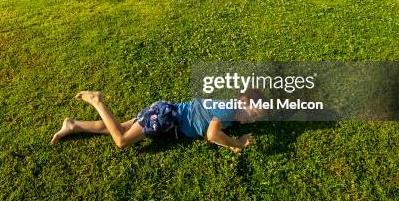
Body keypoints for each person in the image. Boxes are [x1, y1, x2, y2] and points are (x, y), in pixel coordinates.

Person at [50, 89, 265, 153]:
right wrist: (237, 144)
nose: (253, 120)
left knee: (121, 128)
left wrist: (231, 138)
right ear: (242, 100)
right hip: (167, 117)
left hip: (165, 112)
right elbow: (212, 135)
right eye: (254, 113)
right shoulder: (229, 110)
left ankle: (74, 125)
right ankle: (97, 101)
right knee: (122, 140)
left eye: (257, 118)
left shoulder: (231, 112)